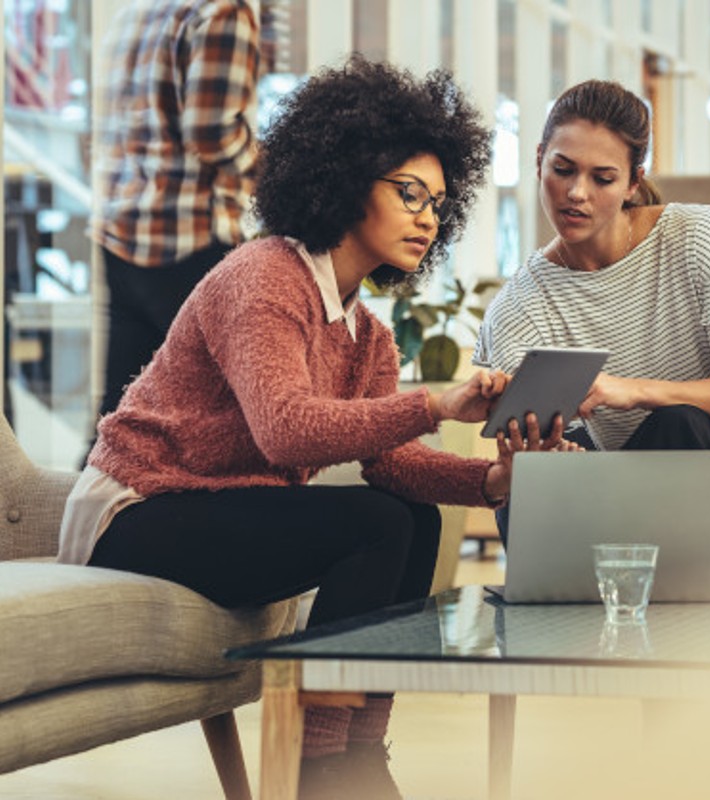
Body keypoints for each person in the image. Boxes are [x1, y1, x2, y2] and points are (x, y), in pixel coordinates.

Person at [59, 57, 576, 799]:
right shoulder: (264, 276)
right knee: (372, 523)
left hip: (217, 505)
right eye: (408, 193)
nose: (428, 216)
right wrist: (436, 404)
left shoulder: (367, 333)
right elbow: (286, 432)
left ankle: (357, 750)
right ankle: (319, 765)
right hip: (137, 508)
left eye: (438, 200)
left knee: (412, 518)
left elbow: (390, 463)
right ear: (343, 176)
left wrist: (491, 479)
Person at [475, 79, 710, 582]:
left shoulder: (694, 236)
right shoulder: (517, 309)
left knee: (679, 424)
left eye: (602, 178)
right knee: (525, 502)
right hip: (634, 500)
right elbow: (574, 472)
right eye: (562, 170)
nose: (576, 193)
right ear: (538, 158)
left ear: (632, 182)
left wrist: (630, 392)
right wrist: (538, 457)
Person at [87, 0, 262, 456]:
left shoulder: (140, 9)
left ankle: (81, 520)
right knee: (221, 423)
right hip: (189, 239)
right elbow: (212, 133)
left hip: (123, 233)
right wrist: (273, 167)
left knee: (119, 414)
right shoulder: (223, 11)